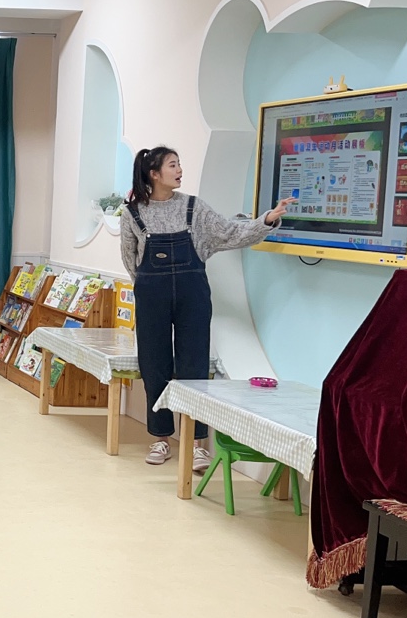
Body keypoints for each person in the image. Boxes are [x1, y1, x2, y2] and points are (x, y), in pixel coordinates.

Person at [120, 146, 295, 469]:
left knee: (195, 367)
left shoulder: (193, 207)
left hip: (193, 295)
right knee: (154, 365)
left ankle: (197, 444)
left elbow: (229, 232)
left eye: (179, 164)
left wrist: (267, 220)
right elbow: (130, 259)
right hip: (151, 295)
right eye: (173, 165)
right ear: (154, 174)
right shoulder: (132, 213)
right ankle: (161, 439)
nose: (179, 170)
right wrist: (147, 286)